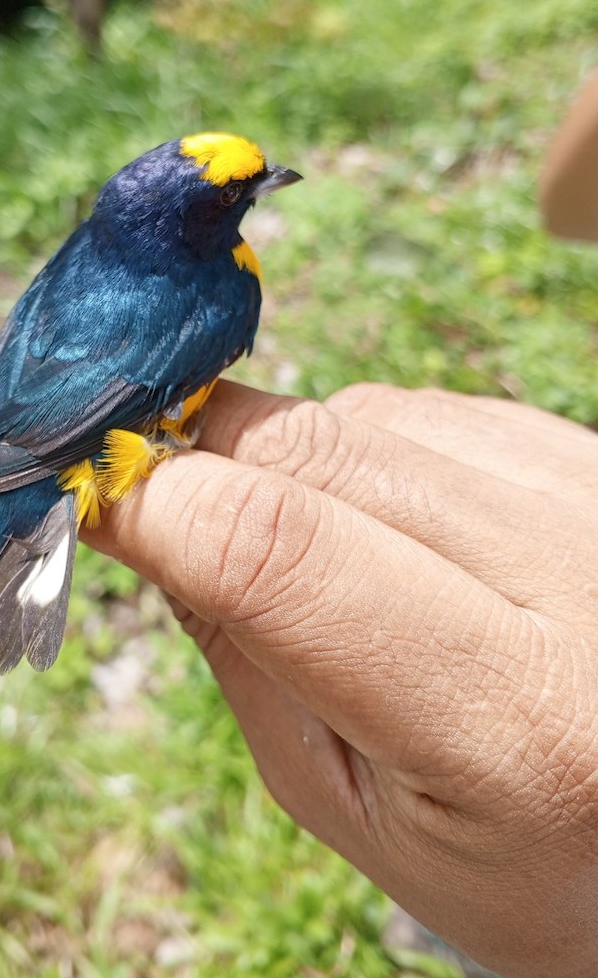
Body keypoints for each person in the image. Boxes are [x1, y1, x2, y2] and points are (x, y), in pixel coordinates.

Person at [85, 79, 598, 978]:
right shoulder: (211, 284)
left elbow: (567, 194)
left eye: (254, 180)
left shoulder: (180, 272)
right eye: (243, 188)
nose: (266, 183)